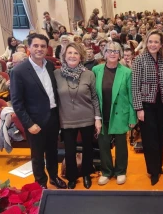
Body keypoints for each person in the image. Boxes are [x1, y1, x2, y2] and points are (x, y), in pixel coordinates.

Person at [10, 33, 67, 189]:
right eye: (36, 45)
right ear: (29, 48)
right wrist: (28, 124)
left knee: (52, 151)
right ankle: (40, 184)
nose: (39, 49)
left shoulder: (49, 66)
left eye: (42, 46)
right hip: (34, 121)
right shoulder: (19, 71)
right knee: (37, 155)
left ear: (46, 48)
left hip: (53, 118)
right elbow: (17, 102)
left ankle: (54, 177)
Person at [54, 43, 101, 189]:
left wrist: (97, 118)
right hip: (66, 119)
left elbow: (94, 97)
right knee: (69, 150)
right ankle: (72, 176)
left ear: (80, 56)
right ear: (64, 55)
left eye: (75, 53)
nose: (72, 56)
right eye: (70, 53)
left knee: (88, 148)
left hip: (87, 117)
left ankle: (87, 173)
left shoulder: (89, 74)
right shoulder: (56, 74)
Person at [93, 41, 137, 186]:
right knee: (103, 144)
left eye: (116, 51)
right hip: (102, 113)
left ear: (120, 55)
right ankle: (106, 172)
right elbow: (93, 96)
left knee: (121, 145)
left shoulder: (127, 72)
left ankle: (120, 171)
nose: (113, 53)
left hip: (120, 114)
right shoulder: (96, 70)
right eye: (110, 51)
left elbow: (132, 96)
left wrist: (132, 116)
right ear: (104, 53)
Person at [132, 29, 163, 185]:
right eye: (150, 41)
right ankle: (152, 170)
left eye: (156, 42)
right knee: (149, 139)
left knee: (160, 136)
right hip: (146, 105)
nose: (153, 44)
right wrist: (139, 108)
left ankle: (159, 165)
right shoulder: (139, 60)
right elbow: (135, 86)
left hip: (161, 103)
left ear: (161, 44)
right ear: (146, 43)